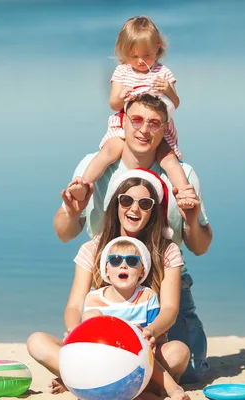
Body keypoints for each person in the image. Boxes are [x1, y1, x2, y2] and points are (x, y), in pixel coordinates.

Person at [55, 92, 213, 384]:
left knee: (189, 371)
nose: (143, 130)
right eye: (137, 120)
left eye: (154, 123)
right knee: (105, 358)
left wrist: (191, 217)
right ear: (122, 122)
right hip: (110, 281)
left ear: (165, 129)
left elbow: (200, 247)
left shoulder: (183, 174)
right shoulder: (94, 169)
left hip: (166, 280)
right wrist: (71, 209)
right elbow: (65, 233)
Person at [28, 168, 191, 399]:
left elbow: (170, 309)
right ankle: (134, 387)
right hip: (99, 345)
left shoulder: (166, 251)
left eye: (144, 204)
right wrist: (76, 332)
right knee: (37, 342)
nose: (134, 208)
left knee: (179, 353)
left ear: (152, 212)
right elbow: (74, 306)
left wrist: (150, 332)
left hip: (145, 348)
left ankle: (84, 381)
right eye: (126, 200)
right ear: (116, 204)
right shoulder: (93, 249)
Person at [68, 16, 190, 209]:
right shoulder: (122, 72)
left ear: (157, 48)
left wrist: (167, 89)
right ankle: (84, 184)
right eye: (134, 56)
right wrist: (121, 96)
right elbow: (113, 103)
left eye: (147, 55)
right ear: (125, 52)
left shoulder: (163, 72)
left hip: (157, 126)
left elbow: (175, 103)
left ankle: (185, 193)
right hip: (125, 122)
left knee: (168, 159)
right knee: (110, 150)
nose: (141, 61)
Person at [81, 236, 190, 400]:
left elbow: (159, 339)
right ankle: (150, 391)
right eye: (115, 260)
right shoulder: (94, 299)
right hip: (106, 358)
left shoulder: (148, 296)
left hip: (143, 357)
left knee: (178, 350)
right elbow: (87, 341)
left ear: (142, 271)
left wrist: (150, 340)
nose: (123, 264)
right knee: (90, 317)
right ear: (106, 269)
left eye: (132, 261)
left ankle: (168, 389)